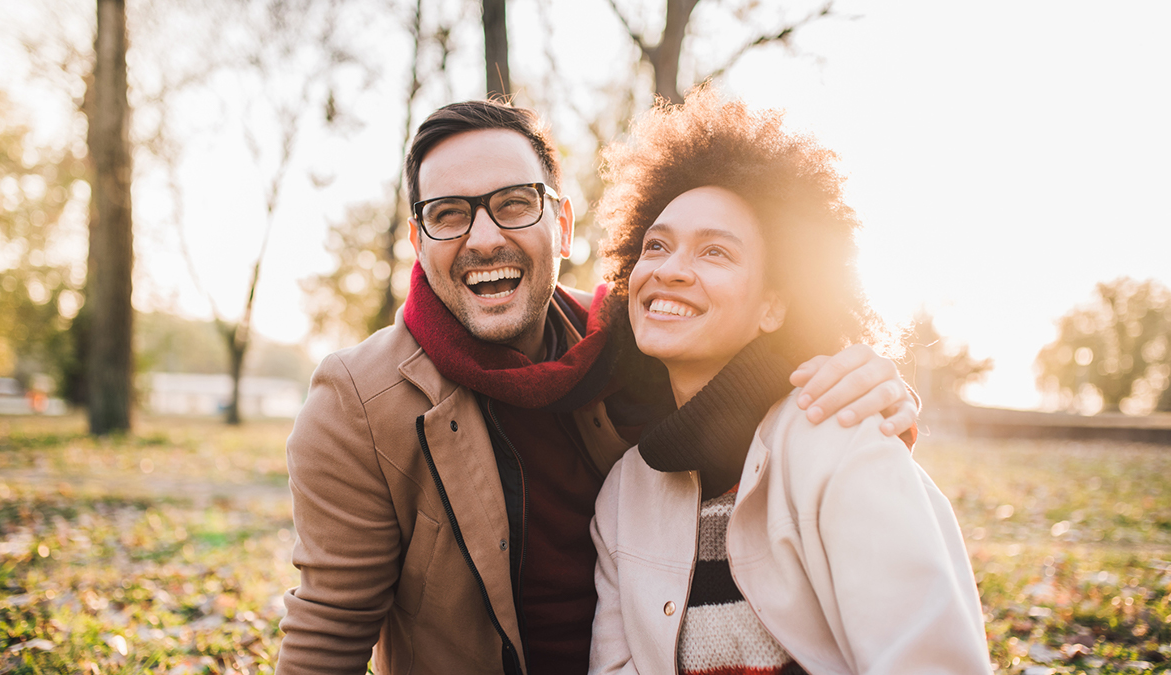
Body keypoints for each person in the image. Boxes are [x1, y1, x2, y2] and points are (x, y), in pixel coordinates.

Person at [275, 99, 920, 675]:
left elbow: (758, 383)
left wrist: (867, 386)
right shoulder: (358, 400)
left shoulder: (635, 340)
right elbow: (328, 629)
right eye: (448, 215)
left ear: (563, 223)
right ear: (418, 242)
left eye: (514, 203)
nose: (484, 237)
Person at [588, 88, 990, 674]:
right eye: (656, 246)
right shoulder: (622, 496)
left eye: (715, 253)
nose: (671, 270)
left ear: (772, 308)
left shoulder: (844, 434)